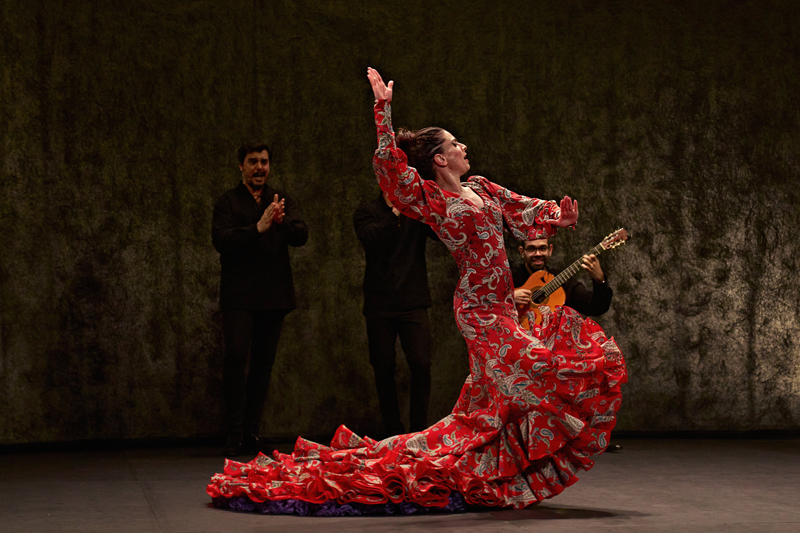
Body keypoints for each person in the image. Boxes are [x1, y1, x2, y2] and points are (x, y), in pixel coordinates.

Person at [206, 69, 626, 514]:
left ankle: (483, 469)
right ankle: (491, 463)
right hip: (479, 311)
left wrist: (555, 216)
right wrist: (382, 110)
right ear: (441, 160)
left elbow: (520, 208)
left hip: (504, 305)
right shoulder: (435, 200)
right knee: (543, 366)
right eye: (455, 144)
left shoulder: (481, 188)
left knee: (488, 407)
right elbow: (391, 169)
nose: (464, 147)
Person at [211, 141, 308, 458]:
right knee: (236, 359)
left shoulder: (279, 200)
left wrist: (280, 221)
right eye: (253, 162)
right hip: (239, 297)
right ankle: (235, 433)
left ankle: (251, 433)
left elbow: (301, 234)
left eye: (264, 162)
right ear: (241, 166)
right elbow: (221, 240)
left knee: (263, 365)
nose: (259, 168)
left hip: (273, 297)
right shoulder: (228, 202)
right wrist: (257, 227)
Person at [354, 190, 437, 437]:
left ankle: (418, 431)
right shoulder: (366, 211)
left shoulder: (417, 210)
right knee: (383, 367)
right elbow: (371, 238)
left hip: (413, 301)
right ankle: (393, 431)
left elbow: (440, 232)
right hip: (379, 303)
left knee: (421, 363)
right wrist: (396, 212)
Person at [512, 237, 613, 318]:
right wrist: (508, 298)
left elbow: (596, 308)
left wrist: (600, 280)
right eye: (531, 249)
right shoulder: (509, 277)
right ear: (522, 252)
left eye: (542, 248)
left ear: (550, 250)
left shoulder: (562, 281)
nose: (538, 254)